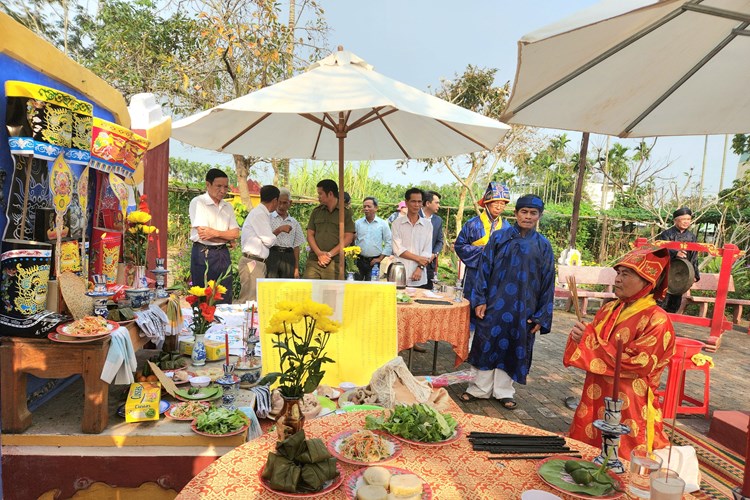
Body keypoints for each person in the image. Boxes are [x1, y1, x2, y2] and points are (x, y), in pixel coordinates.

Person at [563, 246, 675, 456]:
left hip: (631, 397)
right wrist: (581, 337)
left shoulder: (656, 319)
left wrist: (589, 342)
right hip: (596, 389)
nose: (617, 280)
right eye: (618, 273)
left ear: (647, 281)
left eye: (626, 274)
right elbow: (591, 343)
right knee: (588, 445)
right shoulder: (609, 309)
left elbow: (639, 363)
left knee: (624, 453)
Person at [460, 194, 555, 409]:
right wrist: (480, 299)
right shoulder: (499, 238)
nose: (528, 217)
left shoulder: (543, 245)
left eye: (533, 213)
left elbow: (548, 281)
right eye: (524, 212)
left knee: (514, 346)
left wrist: (541, 315)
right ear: (516, 213)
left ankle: (504, 392)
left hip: (524, 308)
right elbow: (484, 270)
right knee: (486, 343)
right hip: (495, 303)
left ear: (539, 216)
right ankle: (478, 389)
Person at [455, 182, 511, 319]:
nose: (499, 207)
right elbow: (459, 246)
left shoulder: (507, 227)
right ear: (487, 203)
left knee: (492, 312)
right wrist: (485, 251)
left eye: (502, 203)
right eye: (495, 203)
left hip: (496, 276)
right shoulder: (473, 224)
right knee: (471, 310)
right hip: (475, 274)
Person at [189, 168, 239, 304]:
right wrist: (227, 237)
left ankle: (224, 323)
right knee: (202, 295)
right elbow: (204, 235)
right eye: (219, 186)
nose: (223, 190)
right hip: (203, 253)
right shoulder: (198, 202)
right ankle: (202, 325)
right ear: (208, 184)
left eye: (225, 187)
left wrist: (215, 233)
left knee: (224, 294)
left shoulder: (227, 206)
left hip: (222, 253)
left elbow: (235, 233)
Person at [238, 185, 291, 302]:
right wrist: (279, 230)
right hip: (253, 261)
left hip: (256, 262)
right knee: (249, 301)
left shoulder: (261, 213)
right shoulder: (260, 214)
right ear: (275, 200)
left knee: (253, 300)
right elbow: (269, 240)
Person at [303, 179, 355, 280]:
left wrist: (329, 255)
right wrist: (319, 254)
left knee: (331, 293)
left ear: (330, 194)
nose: (318, 197)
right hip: (314, 260)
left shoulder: (345, 213)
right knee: (309, 291)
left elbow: (348, 238)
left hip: (334, 262)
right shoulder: (316, 211)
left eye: (320, 194)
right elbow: (310, 235)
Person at [657, 207, 700, 313]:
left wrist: (695, 274)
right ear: (675, 220)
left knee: (675, 301)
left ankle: (670, 323)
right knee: (662, 300)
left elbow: (694, 256)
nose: (686, 222)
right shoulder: (666, 234)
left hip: (682, 273)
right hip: (667, 271)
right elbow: (660, 250)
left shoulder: (691, 237)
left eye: (689, 219)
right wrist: (675, 253)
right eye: (683, 219)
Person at [391, 188, 433, 288]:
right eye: (413, 201)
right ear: (406, 202)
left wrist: (420, 268)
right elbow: (398, 249)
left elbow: (427, 251)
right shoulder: (397, 224)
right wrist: (419, 258)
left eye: (419, 201)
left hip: (419, 276)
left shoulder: (428, 225)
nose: (417, 205)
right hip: (399, 275)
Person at [267, 188, 305, 279]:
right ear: (275, 201)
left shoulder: (294, 223)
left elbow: (296, 247)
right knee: (271, 286)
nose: (281, 206)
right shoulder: (269, 219)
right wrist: (279, 230)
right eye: (279, 202)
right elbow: (265, 238)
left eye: (284, 203)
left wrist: (296, 268)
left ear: (290, 203)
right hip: (272, 255)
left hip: (288, 256)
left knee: (286, 287)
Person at [354, 197, 392, 281]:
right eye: (364, 206)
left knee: (371, 287)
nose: (366, 209)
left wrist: (380, 259)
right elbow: (353, 240)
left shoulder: (383, 224)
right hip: (359, 260)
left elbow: (389, 242)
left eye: (369, 206)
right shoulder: (358, 223)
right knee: (356, 286)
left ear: (376, 208)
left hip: (374, 263)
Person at [419, 191, 444, 289]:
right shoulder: (413, 216)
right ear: (428, 203)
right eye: (437, 202)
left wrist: (434, 254)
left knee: (426, 295)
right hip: (412, 262)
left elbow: (439, 240)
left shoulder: (438, 220)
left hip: (429, 264)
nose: (439, 205)